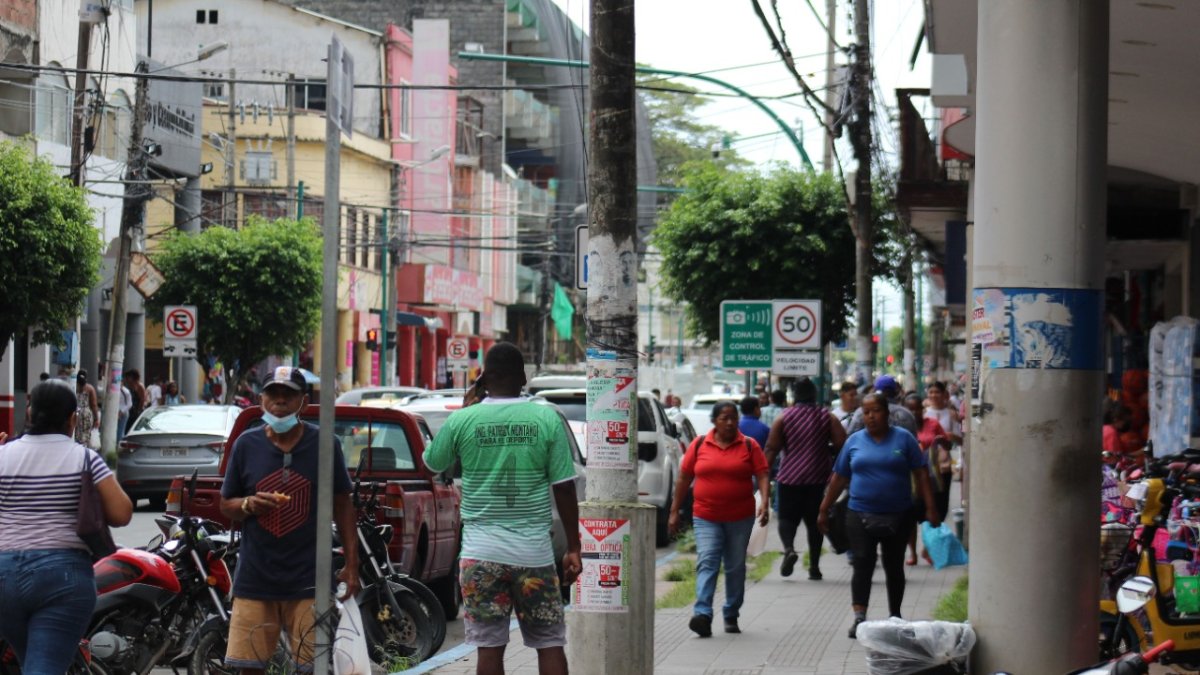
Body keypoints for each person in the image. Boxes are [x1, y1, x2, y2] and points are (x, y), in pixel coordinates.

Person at [424, 343, 580, 675]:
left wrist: (466, 409)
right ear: (523, 377)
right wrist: (575, 547)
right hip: (534, 555)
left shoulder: (463, 420)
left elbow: (433, 462)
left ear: (483, 378)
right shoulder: (546, 418)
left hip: (481, 554)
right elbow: (564, 487)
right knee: (549, 642)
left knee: (490, 649)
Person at [218, 366, 360, 672]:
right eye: (273, 394)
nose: (279, 402)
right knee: (248, 667)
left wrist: (352, 565)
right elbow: (226, 504)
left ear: (304, 403)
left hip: (310, 581)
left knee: (313, 667)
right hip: (255, 579)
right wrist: (248, 504)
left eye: (288, 395)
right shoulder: (246, 445)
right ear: (261, 400)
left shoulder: (325, 445)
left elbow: (343, 507)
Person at [0, 380, 133, 674]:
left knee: (32, 663)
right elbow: (122, 513)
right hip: (62, 577)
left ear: (30, 413)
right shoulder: (83, 458)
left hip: (4, 575)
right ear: (72, 418)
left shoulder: (3, 455)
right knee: (44, 665)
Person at [818, 393, 939, 639]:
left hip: (899, 514)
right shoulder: (854, 441)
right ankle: (859, 617)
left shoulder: (903, 440)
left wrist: (930, 507)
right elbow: (839, 477)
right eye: (866, 412)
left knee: (894, 566)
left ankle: (895, 615)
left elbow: (921, 474)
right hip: (859, 512)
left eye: (876, 411)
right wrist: (824, 508)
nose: (870, 416)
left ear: (887, 413)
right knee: (862, 563)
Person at [669, 401, 770, 637]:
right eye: (724, 418)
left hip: (740, 517)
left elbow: (762, 474)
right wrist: (674, 511)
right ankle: (703, 613)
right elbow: (684, 478)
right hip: (706, 516)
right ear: (714, 421)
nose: (730, 422)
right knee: (708, 561)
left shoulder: (748, 444)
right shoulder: (700, 444)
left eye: (733, 417)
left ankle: (731, 612)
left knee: (735, 567)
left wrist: (764, 502)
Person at [764, 377, 847, 580]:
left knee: (786, 518)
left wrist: (763, 474)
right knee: (815, 522)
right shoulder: (826, 417)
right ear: (814, 395)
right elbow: (842, 444)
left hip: (789, 477)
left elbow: (772, 447)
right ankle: (815, 567)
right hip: (818, 478)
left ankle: (790, 549)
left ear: (795, 396)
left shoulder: (784, 417)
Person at [902, 393, 950, 565]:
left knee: (933, 512)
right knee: (911, 516)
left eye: (917, 408)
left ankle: (927, 549)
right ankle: (912, 553)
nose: (914, 412)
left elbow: (948, 444)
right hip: (909, 477)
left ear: (922, 409)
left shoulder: (933, 424)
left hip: (931, 476)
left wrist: (941, 442)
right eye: (910, 409)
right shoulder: (902, 428)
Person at [845, 375, 917, 436]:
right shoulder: (906, 414)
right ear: (895, 391)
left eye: (877, 410)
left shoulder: (862, 411)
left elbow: (850, 438)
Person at [74, 370, 99, 447]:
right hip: (86, 415)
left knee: (75, 435)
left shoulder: (73, 386)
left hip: (75, 414)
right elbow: (94, 404)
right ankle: (84, 452)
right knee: (85, 437)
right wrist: (96, 418)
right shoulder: (90, 388)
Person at [124, 369, 146, 434]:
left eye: (129, 377)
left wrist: (138, 410)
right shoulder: (128, 385)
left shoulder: (139, 386)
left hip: (136, 410)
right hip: (129, 409)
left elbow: (142, 399)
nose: (127, 379)